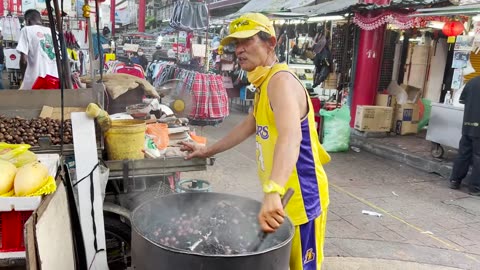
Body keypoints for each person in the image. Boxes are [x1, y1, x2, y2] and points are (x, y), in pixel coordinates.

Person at [180, 13, 330, 270]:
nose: (239, 50)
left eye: (247, 41)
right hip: (279, 200)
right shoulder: (265, 84)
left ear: (270, 42)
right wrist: (207, 150)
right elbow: (249, 125)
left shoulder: (281, 82)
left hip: (300, 200)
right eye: (235, 44)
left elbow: (291, 137)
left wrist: (273, 190)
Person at [449, 77, 480, 196]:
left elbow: (462, 101)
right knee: (478, 157)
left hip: (467, 125)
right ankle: (475, 188)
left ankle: (455, 180)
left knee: (463, 154)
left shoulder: (471, 82)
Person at [16, 9, 58, 90]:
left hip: (35, 80)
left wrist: (24, 77)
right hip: (53, 80)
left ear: (27, 21)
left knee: (32, 102)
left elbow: (23, 60)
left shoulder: (26, 30)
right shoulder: (53, 32)